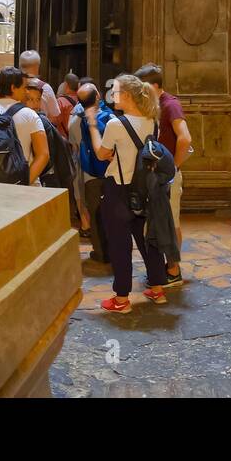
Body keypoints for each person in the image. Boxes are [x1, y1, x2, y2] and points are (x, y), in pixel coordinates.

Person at [82, 73, 168, 313]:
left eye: (116, 92)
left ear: (127, 96)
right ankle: (157, 290)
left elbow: (101, 153)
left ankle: (121, 299)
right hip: (144, 190)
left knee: (120, 245)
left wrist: (91, 125)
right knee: (147, 240)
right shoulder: (153, 121)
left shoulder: (115, 124)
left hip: (118, 190)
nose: (113, 96)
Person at [134, 62, 192, 286]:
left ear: (155, 86)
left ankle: (174, 269)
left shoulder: (171, 105)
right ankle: (166, 266)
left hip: (167, 175)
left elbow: (185, 139)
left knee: (171, 222)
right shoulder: (155, 105)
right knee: (160, 221)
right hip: (157, 176)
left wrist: (173, 168)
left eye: (143, 88)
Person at [26, 77, 85, 226]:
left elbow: (47, 156)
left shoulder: (42, 122)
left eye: (37, 100)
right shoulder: (30, 119)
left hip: (41, 179)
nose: (34, 104)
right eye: (30, 99)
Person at [71, 80, 113, 263]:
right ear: (98, 96)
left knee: (95, 214)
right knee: (111, 215)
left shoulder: (79, 119)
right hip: (110, 172)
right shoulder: (108, 117)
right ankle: (112, 251)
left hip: (90, 173)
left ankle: (100, 251)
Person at [16, 50, 61, 123]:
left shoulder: (14, 87)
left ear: (20, 66)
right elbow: (54, 116)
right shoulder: (45, 88)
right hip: (40, 129)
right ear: (37, 66)